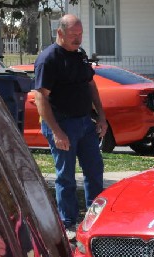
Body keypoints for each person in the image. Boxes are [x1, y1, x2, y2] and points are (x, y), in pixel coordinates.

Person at [34, 14, 106, 240]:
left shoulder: (80, 55)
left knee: (95, 171)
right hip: (61, 123)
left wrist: (102, 117)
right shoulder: (49, 59)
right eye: (73, 35)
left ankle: (96, 220)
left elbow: (90, 84)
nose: (78, 39)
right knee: (65, 176)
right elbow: (40, 98)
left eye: (80, 34)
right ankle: (69, 223)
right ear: (60, 33)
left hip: (85, 122)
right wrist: (56, 131)